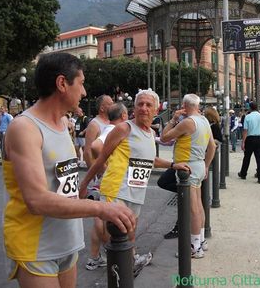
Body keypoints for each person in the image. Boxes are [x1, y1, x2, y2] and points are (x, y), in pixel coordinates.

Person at [2, 52, 135, 288]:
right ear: (62, 83)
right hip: (36, 247)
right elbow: (37, 200)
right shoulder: (24, 128)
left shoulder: (64, 124)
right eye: (81, 83)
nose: (84, 92)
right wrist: (101, 207)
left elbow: (65, 179)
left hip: (68, 243)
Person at [80, 89, 190, 269]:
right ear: (134, 108)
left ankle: (128, 264)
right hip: (117, 187)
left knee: (130, 233)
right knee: (116, 232)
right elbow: (101, 156)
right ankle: (119, 269)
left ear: (156, 110)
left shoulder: (148, 133)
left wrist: (172, 165)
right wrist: (84, 184)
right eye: (140, 104)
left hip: (136, 190)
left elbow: (150, 160)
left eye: (148, 105)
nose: (144, 108)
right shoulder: (124, 128)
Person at [161, 94, 216, 258]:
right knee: (199, 206)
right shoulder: (204, 121)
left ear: (184, 105)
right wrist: (206, 165)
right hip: (199, 165)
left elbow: (164, 137)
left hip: (187, 167)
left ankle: (194, 247)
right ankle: (200, 240)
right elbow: (212, 146)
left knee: (193, 209)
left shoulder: (187, 122)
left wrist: (172, 119)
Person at [85, 102, 129, 271]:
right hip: (109, 179)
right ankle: (116, 256)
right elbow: (95, 146)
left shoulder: (108, 128)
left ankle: (94, 257)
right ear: (123, 116)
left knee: (99, 216)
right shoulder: (113, 130)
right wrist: (106, 167)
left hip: (104, 178)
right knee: (102, 218)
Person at [238, 102, 260, 184]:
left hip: (250, 138)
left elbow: (245, 130)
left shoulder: (247, 117)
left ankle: (243, 173)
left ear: (250, 108)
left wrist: (243, 142)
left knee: (247, 157)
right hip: (259, 138)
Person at [83, 95, 113, 168]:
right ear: (102, 108)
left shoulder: (112, 122)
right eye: (110, 104)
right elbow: (87, 153)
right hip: (101, 173)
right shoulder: (94, 125)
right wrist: (95, 175)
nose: (113, 106)